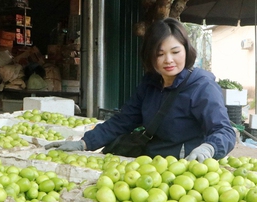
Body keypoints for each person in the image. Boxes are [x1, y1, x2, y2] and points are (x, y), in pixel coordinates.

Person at [45, 17, 236, 162]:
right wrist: (84, 143)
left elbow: (224, 130)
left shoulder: (202, 86)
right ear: (150, 57)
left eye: (175, 52)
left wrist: (208, 149)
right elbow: (123, 121)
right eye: (160, 54)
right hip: (148, 166)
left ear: (187, 50)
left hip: (184, 173)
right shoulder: (151, 83)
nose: (169, 60)